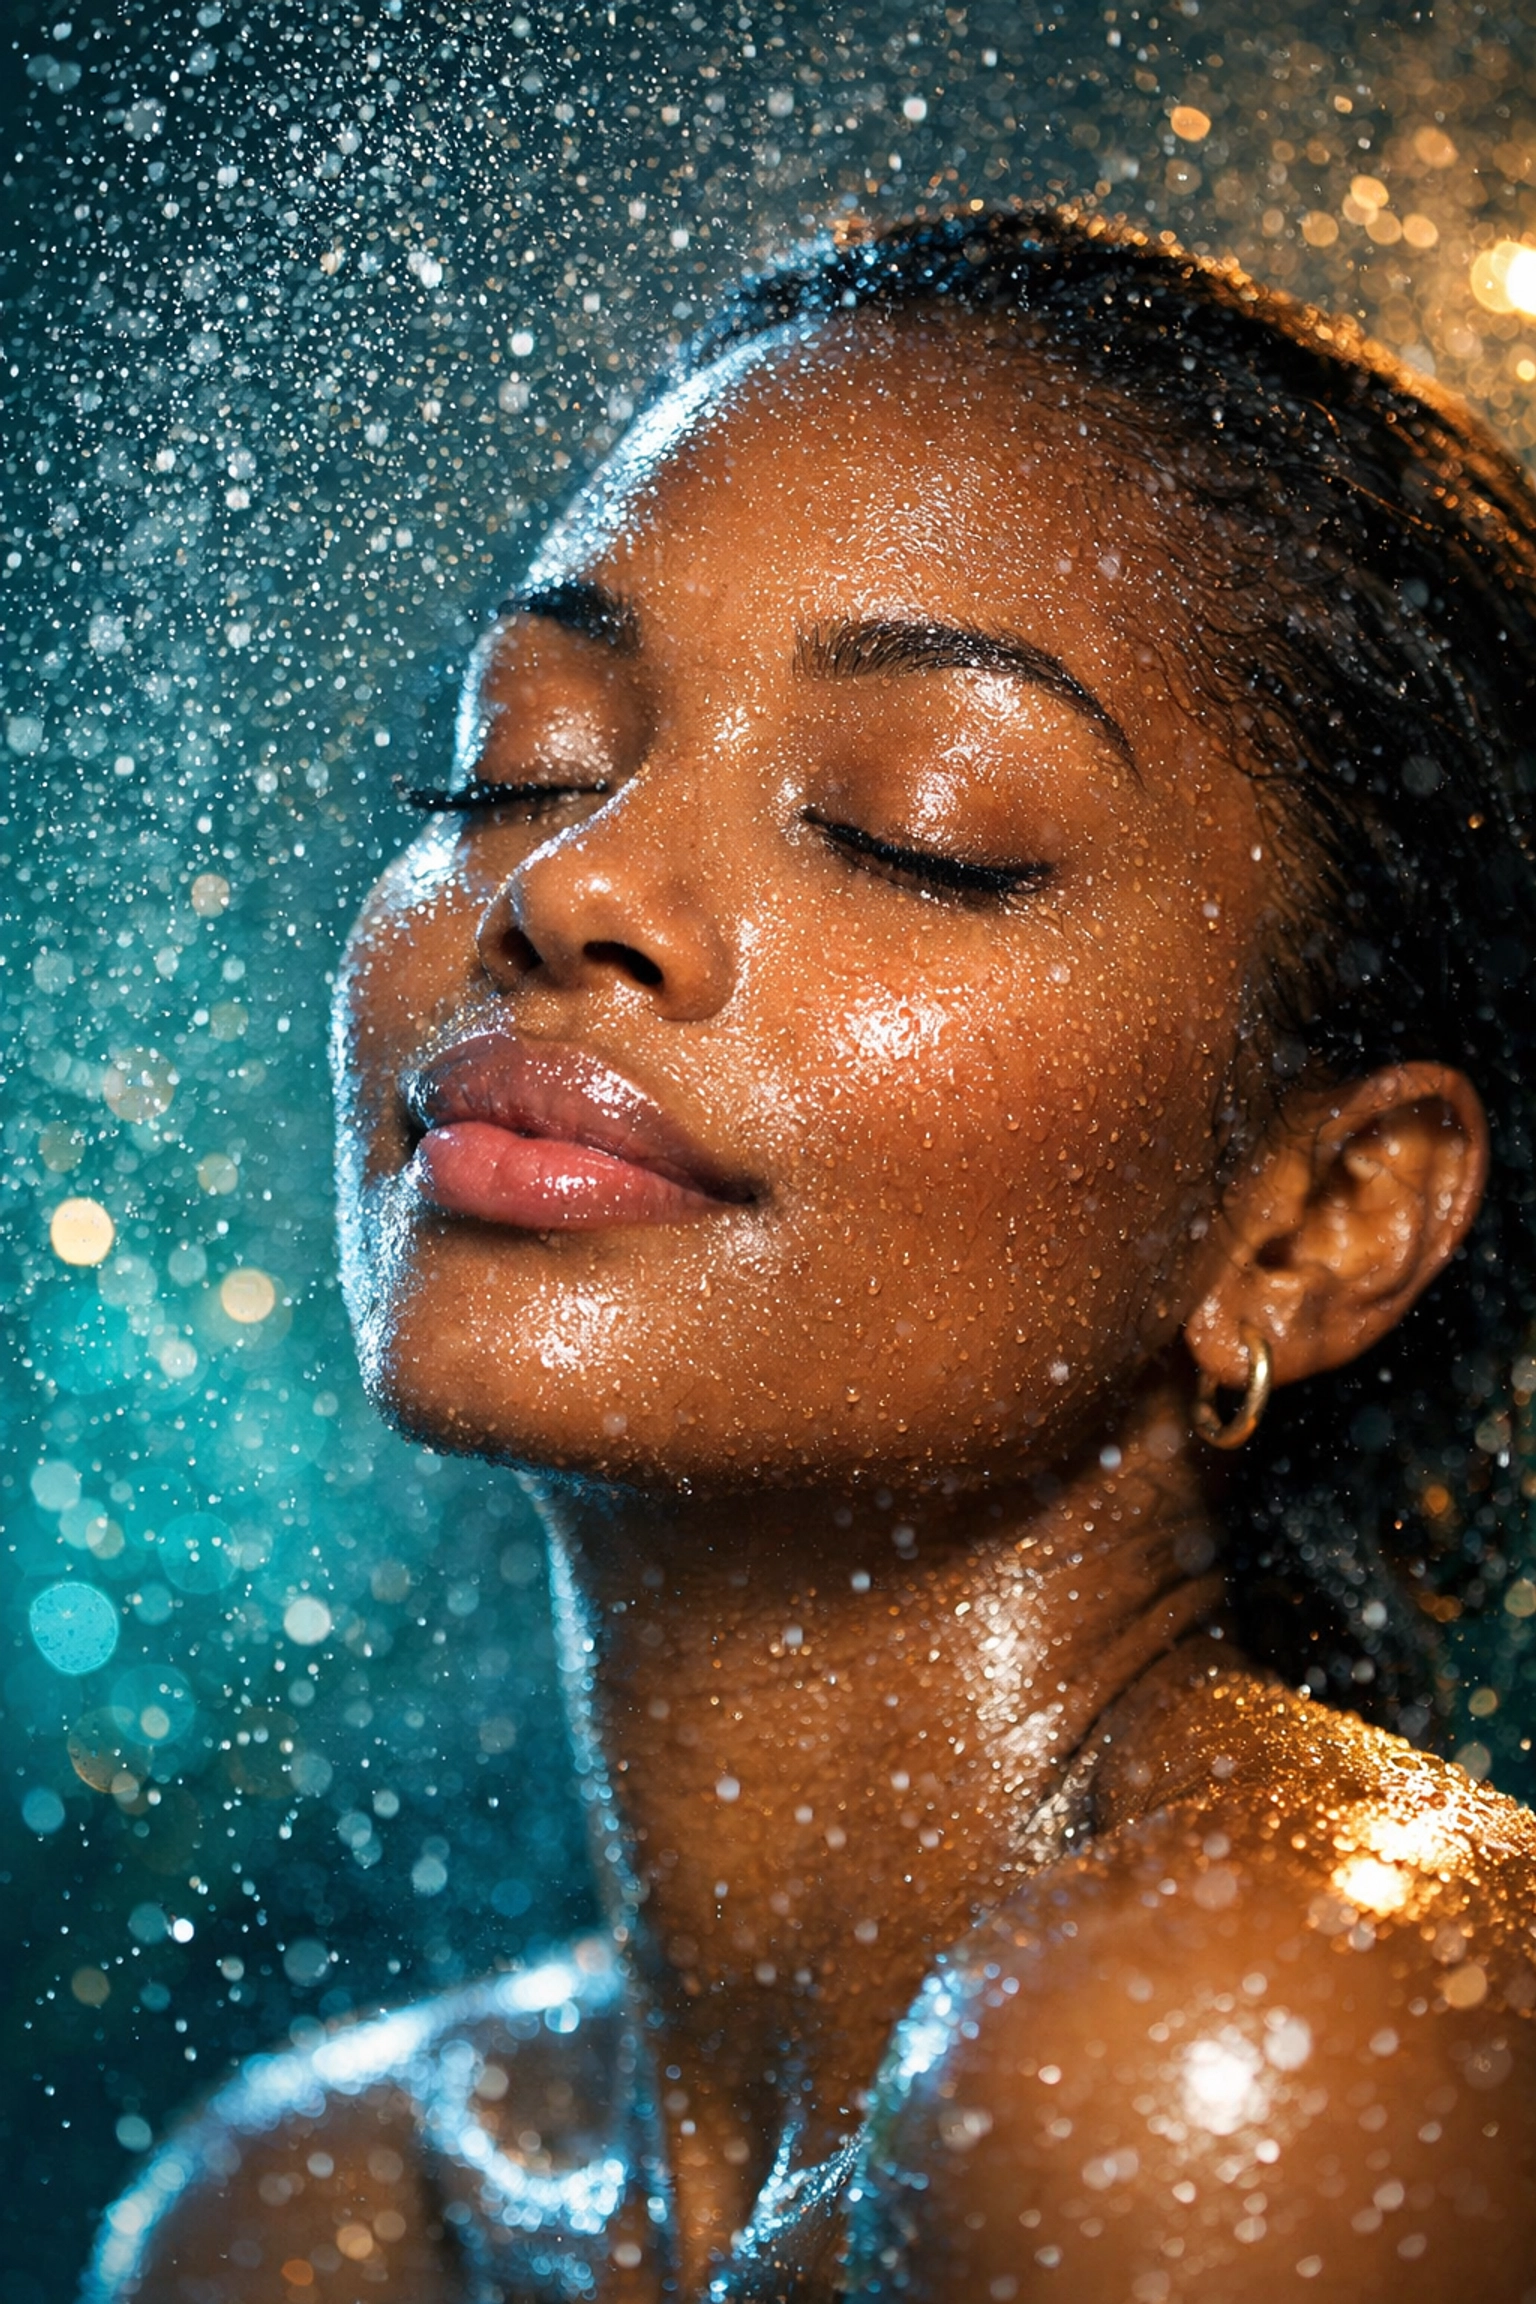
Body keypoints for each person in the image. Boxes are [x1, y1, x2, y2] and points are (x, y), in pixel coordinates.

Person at [87, 207, 1536, 2304]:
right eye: (517, 763)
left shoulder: (1251, 2057)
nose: (571, 885)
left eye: (907, 827)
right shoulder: (307, 2214)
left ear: (1315, 1219)